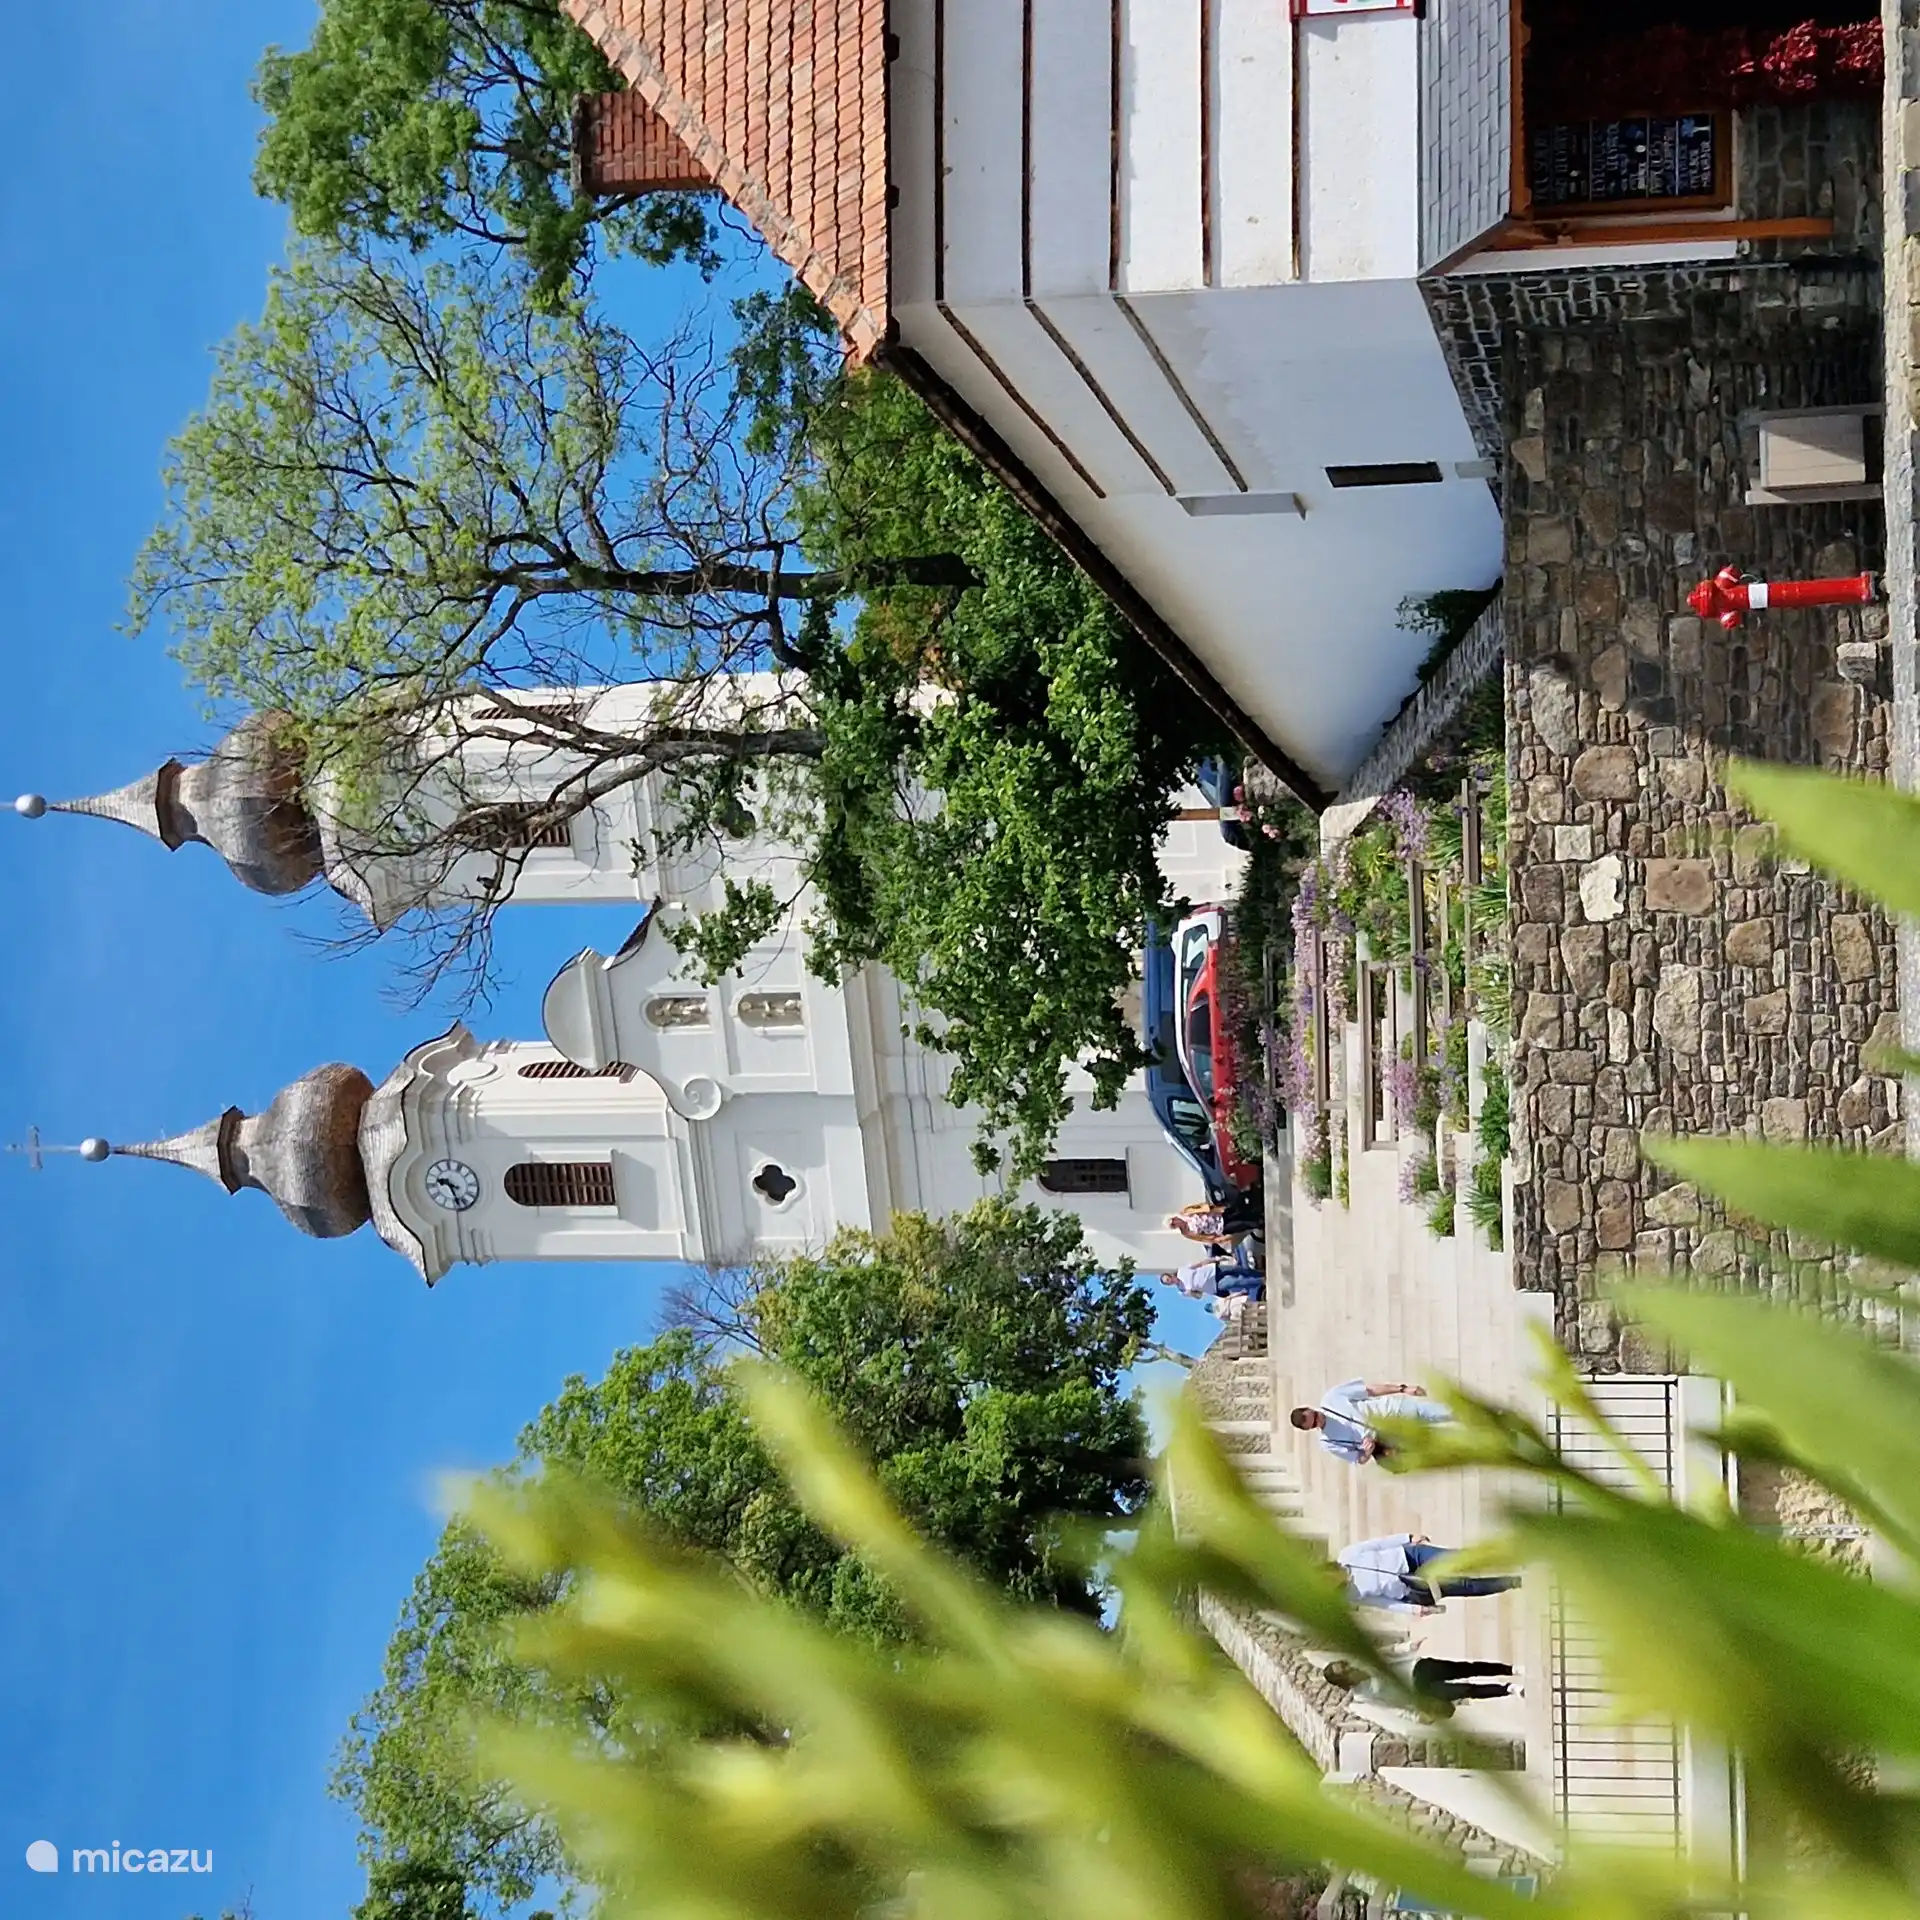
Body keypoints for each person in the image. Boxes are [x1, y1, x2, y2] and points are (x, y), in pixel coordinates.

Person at [1337, 1534, 1520, 1613]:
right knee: (1465, 1586)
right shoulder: (1350, 1594)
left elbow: (1378, 1544)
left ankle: (1509, 1555)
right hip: (1411, 1587)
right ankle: (1512, 1582)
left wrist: (1407, 1537)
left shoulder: (1347, 1555)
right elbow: (1383, 1603)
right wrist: (1413, 1610)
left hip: (1410, 1557)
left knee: (1457, 1559)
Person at [1291, 1378, 1453, 1465]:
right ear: (1310, 1429)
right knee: (1445, 1439)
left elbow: (1369, 1390)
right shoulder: (1328, 1442)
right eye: (1314, 1424)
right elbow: (1359, 1459)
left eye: (1316, 1415)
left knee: (1444, 1413)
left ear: (1311, 1408)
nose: (1318, 1420)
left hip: (1393, 1411)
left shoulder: (1331, 1398)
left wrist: (1403, 1388)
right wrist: (1367, 1451)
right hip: (1395, 1439)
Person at [1321, 1653, 1518, 1718]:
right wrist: (1416, 1716)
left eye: (1344, 1664)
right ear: (1344, 1680)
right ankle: (1508, 1689)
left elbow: (1388, 1653)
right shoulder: (1363, 1695)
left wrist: (1407, 1648)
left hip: (1419, 1668)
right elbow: (1393, 1708)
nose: (1348, 1667)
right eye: (1344, 1670)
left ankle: (1509, 1669)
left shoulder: (1362, 1660)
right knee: (1465, 1690)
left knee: (1466, 1669)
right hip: (1419, 1690)